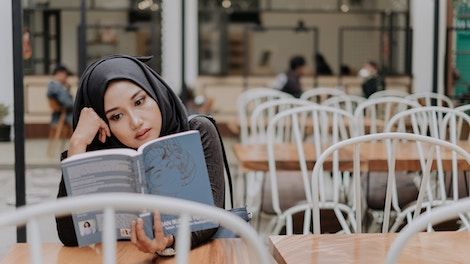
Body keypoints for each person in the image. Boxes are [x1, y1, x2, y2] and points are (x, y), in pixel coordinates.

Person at [55, 55, 225, 255]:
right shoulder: (100, 152)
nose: (135, 122)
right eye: (116, 116)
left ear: (156, 93)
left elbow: (212, 217)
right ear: (104, 124)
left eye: (139, 101)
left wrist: (169, 241)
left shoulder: (198, 132)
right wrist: (77, 146)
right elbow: (70, 236)